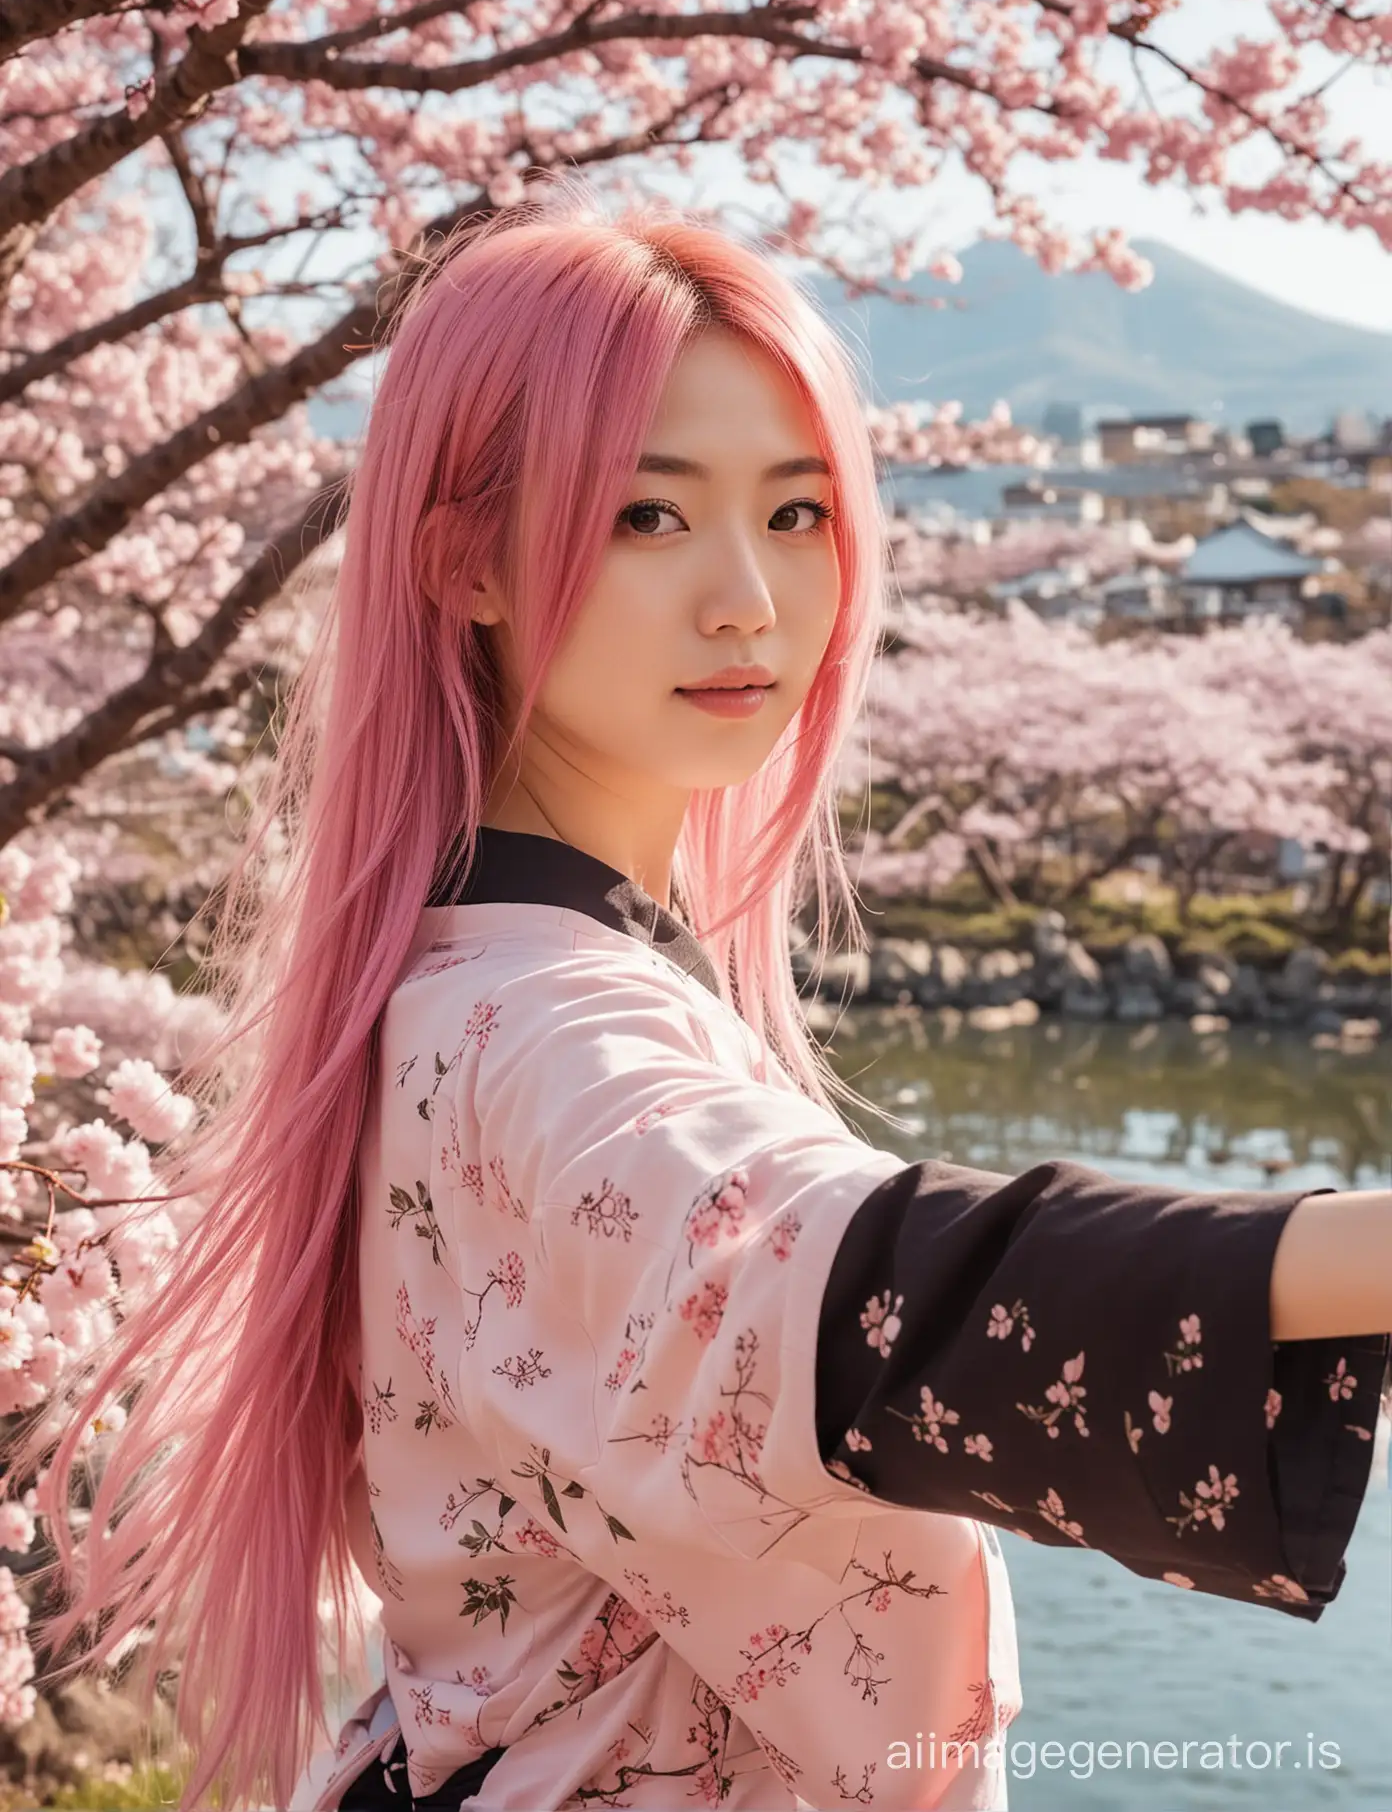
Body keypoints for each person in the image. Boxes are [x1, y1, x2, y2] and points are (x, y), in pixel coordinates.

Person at [11, 179, 1391, 1812]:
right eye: (648, 515)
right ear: (465, 561)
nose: (749, 596)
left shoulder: (477, 969)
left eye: (798, 513)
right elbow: (854, 1290)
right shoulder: (550, 1032)